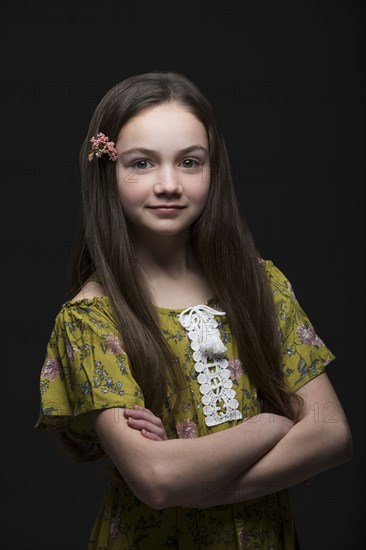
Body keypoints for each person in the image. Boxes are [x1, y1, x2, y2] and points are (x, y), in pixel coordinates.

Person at [34, 71, 352, 550]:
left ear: (213, 170)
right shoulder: (92, 318)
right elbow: (158, 479)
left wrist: (199, 485)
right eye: (141, 163)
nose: (168, 184)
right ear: (108, 170)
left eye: (189, 162)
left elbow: (331, 434)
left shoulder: (261, 286)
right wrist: (272, 423)